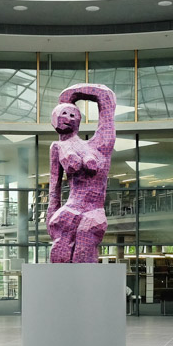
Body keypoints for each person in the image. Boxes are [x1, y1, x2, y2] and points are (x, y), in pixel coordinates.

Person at [47, 83, 116, 263]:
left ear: (78, 121)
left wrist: (68, 94)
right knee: (60, 252)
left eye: (72, 115)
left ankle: (86, 289)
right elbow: (54, 189)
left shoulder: (101, 145)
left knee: (84, 245)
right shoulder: (58, 147)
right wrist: (50, 217)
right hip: (71, 208)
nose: (68, 118)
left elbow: (106, 98)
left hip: (94, 210)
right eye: (63, 114)